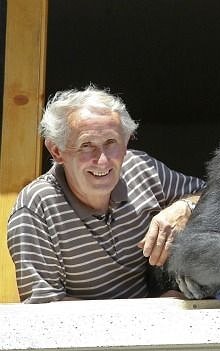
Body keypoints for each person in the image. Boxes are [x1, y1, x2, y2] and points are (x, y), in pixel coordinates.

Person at [7, 86, 205, 303]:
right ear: (56, 151)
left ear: (126, 141)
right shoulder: (36, 208)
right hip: (85, 334)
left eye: (111, 142)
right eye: (86, 145)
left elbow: (219, 198)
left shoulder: (142, 169)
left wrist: (184, 208)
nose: (102, 160)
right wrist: (149, 312)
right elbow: (45, 307)